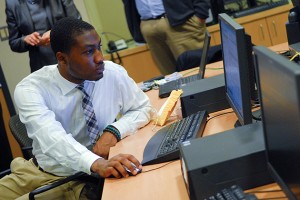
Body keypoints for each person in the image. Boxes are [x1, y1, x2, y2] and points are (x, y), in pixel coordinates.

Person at [0, 17, 152, 199]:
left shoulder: (112, 73)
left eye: (99, 47)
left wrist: (114, 130)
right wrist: (95, 163)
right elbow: (53, 139)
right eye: (88, 52)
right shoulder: (31, 89)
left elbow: (143, 108)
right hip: (39, 170)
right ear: (62, 58)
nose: (100, 58)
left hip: (77, 179)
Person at [132, 0, 211, 75]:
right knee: (170, 79)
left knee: (197, 70)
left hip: (182, 21)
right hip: (147, 24)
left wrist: (201, 12)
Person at [5, 0, 81, 72]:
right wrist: (25, 40)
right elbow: (14, 42)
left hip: (70, 58)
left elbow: (79, 25)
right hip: (41, 65)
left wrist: (55, 32)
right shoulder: (12, 3)